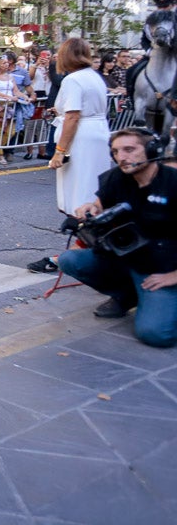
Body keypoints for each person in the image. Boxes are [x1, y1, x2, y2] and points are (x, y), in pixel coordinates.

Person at [58, 128, 177, 346]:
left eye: (129, 150)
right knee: (69, 260)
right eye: (116, 151)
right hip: (125, 255)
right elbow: (99, 205)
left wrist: (173, 277)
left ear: (151, 150)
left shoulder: (172, 182)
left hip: (163, 267)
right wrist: (90, 208)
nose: (121, 157)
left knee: (156, 334)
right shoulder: (116, 178)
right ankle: (127, 295)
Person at [28, 38, 115, 273]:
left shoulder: (73, 79)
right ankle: (87, 248)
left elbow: (74, 117)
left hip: (81, 139)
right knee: (90, 191)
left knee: (80, 196)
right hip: (96, 133)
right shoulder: (93, 76)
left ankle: (77, 253)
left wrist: (59, 152)